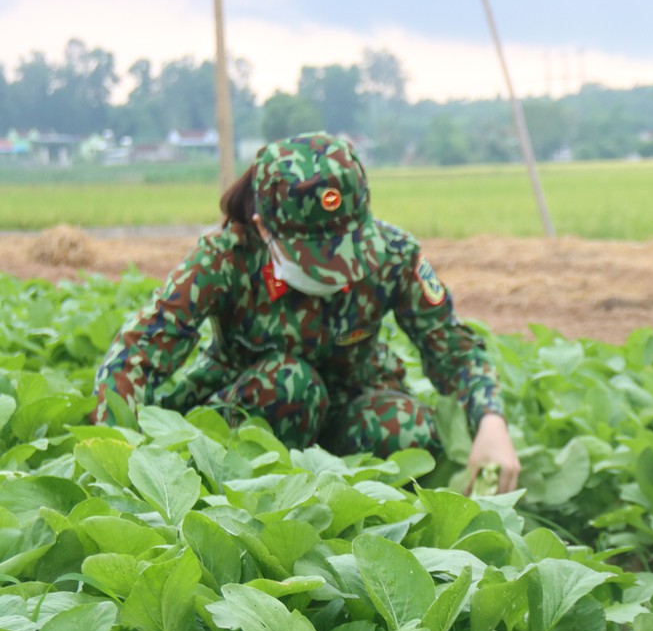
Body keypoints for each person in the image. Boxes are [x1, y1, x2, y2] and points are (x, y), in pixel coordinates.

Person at [92, 131, 521, 492]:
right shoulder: (225, 258)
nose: (335, 271)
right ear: (264, 228)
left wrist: (491, 421)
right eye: (317, 257)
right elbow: (138, 353)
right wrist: (118, 457)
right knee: (291, 385)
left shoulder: (394, 255)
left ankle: (361, 517)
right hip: (251, 417)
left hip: (348, 407)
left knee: (406, 428)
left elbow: (454, 351)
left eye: (346, 249)